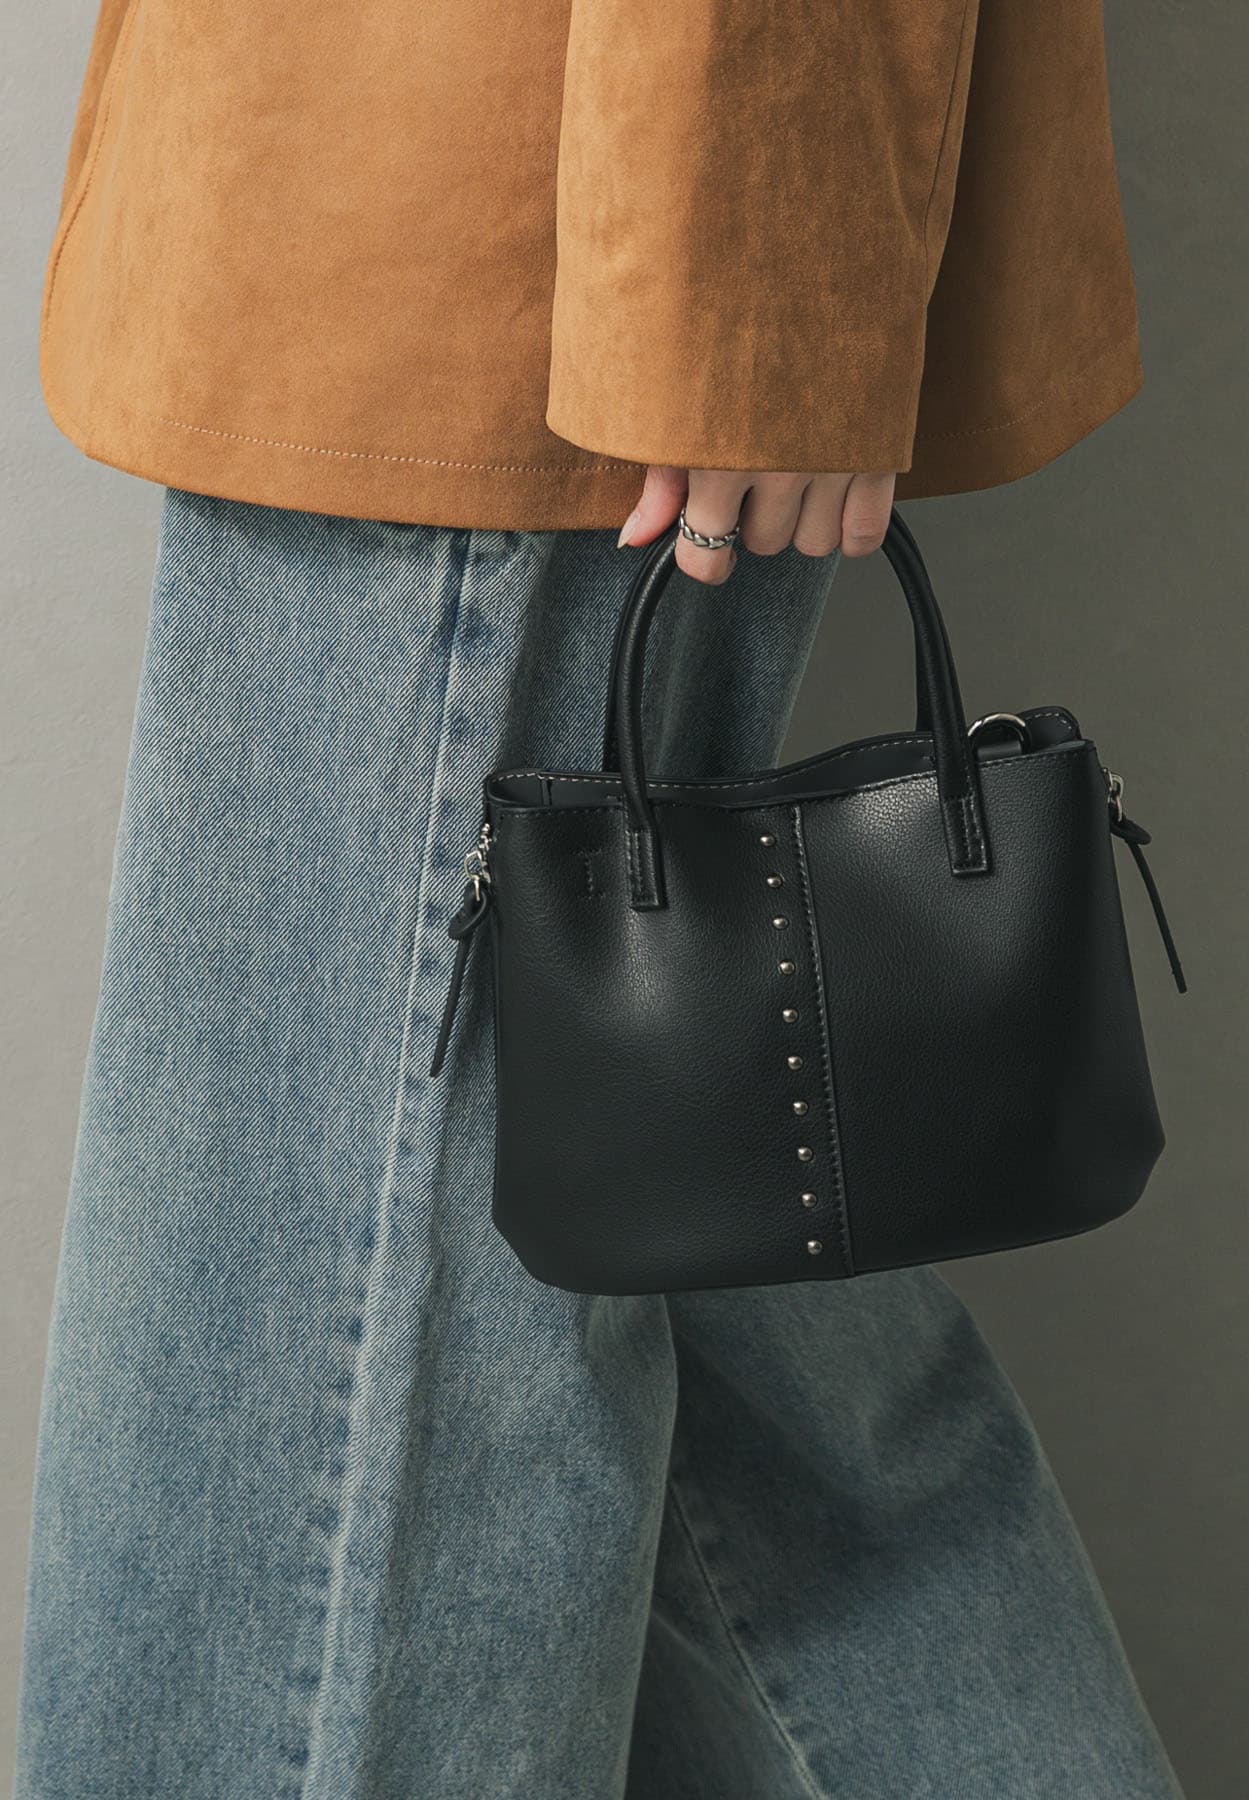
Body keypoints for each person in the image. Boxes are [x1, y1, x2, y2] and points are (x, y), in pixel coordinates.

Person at [14, 1, 1182, 1795]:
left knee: (322, 1350)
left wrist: (756, 266)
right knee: (681, 1239)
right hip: (438, 217)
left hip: (492, 259)